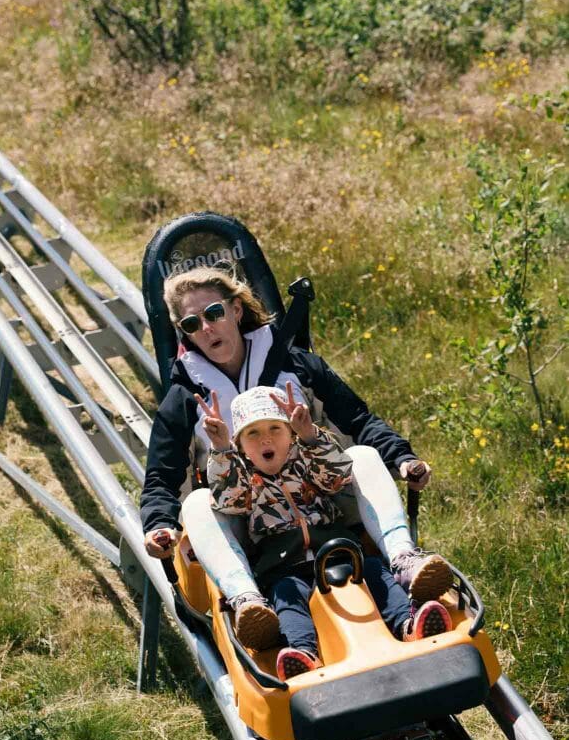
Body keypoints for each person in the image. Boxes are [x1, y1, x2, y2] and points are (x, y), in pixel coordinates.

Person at [141, 264, 453, 640]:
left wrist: (402, 458)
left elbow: (358, 420)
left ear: (236, 310)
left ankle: (403, 560)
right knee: (196, 504)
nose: (206, 329)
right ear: (184, 333)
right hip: (247, 518)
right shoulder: (185, 399)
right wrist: (159, 524)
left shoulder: (296, 365)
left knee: (367, 456)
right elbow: (161, 475)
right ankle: (247, 602)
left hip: (323, 500)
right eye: (192, 324)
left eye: (214, 313)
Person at [203, 384, 452, 678]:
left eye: (275, 429)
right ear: (241, 445)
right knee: (286, 597)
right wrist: (221, 451)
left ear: (291, 434)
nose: (265, 438)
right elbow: (229, 501)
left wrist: (310, 436)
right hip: (285, 567)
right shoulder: (243, 478)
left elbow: (338, 476)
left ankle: (409, 624)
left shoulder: (306, 460)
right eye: (252, 433)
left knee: (374, 571)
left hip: (340, 552)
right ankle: (303, 653)